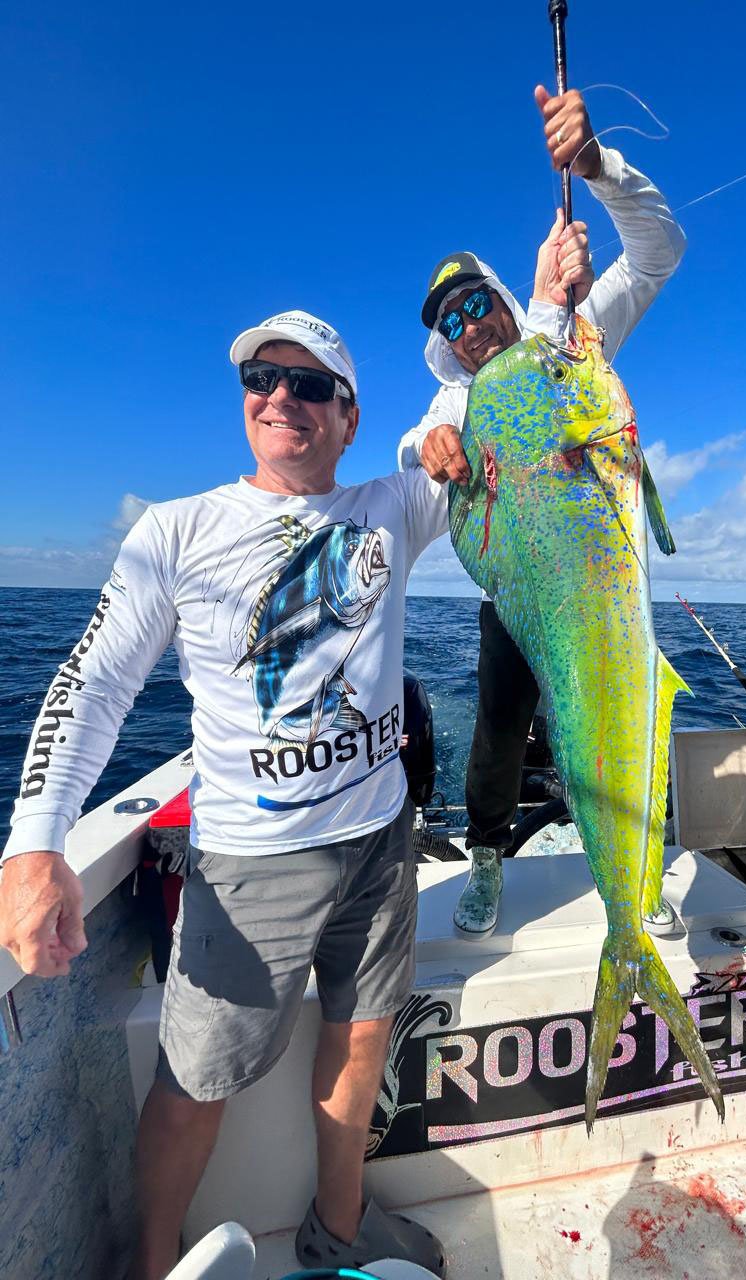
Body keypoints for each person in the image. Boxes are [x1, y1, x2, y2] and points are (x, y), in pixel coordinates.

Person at [0, 310, 450, 1280]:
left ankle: (339, 1225)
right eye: (262, 378)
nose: (281, 397)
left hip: (381, 837)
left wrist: (523, 318)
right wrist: (34, 842)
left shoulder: (393, 508)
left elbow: (481, 415)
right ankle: (152, 1264)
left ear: (350, 416)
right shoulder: (174, 531)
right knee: (197, 1079)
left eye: (311, 384)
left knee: (363, 1035)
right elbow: (93, 684)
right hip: (248, 865)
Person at [397, 85, 688, 937]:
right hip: (519, 596)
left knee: (614, 717)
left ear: (501, 297)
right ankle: (486, 856)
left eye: (476, 303)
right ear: (444, 342)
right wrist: (426, 447)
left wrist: (598, 168)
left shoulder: (570, 339)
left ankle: (635, 871)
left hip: (596, 587)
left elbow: (658, 252)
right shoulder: (454, 400)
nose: (468, 325)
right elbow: (415, 441)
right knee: (497, 730)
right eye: (451, 321)